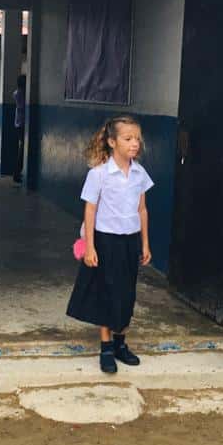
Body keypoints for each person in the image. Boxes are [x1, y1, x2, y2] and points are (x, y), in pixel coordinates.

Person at [66, 116, 153, 373]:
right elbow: (90, 211)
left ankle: (120, 344)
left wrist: (145, 244)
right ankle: (105, 347)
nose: (134, 143)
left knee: (127, 293)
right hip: (105, 241)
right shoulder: (99, 174)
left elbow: (142, 209)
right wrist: (90, 246)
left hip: (130, 241)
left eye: (137, 138)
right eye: (128, 139)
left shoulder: (139, 173)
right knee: (106, 291)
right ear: (112, 142)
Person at [12, 75, 26, 184]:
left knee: (21, 148)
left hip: (18, 123)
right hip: (21, 123)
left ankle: (18, 172)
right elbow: (23, 107)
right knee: (22, 149)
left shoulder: (17, 93)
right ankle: (17, 173)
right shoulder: (20, 94)